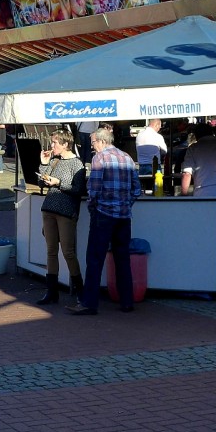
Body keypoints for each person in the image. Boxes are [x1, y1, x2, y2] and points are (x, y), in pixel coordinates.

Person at [70, 127, 141, 315]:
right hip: (124, 216)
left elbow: (93, 189)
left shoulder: (99, 158)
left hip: (104, 214)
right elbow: (136, 188)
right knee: (122, 259)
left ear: (101, 141)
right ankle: (127, 301)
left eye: (93, 142)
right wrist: (126, 204)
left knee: (94, 259)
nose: (92, 146)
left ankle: (89, 303)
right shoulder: (127, 157)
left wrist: (94, 207)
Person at [34, 130, 86, 305]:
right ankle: (52, 292)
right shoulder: (55, 161)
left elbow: (78, 190)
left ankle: (80, 292)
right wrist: (43, 164)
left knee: (68, 252)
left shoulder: (76, 164)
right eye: (52, 142)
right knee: (51, 251)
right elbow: (41, 182)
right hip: (49, 209)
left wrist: (59, 183)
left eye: (55, 143)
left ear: (65, 144)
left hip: (65, 211)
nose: (52, 146)